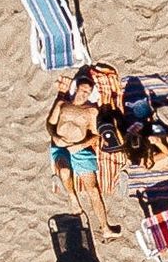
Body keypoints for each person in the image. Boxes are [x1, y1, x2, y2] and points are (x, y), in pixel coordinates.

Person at [44, 69, 117, 228]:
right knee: (64, 171)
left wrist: (80, 145)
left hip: (80, 150)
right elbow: (50, 124)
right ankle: (73, 198)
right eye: (83, 90)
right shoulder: (62, 104)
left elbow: (97, 136)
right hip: (60, 146)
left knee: (93, 190)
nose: (85, 94)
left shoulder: (91, 111)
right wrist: (55, 137)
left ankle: (105, 227)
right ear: (76, 88)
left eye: (88, 92)